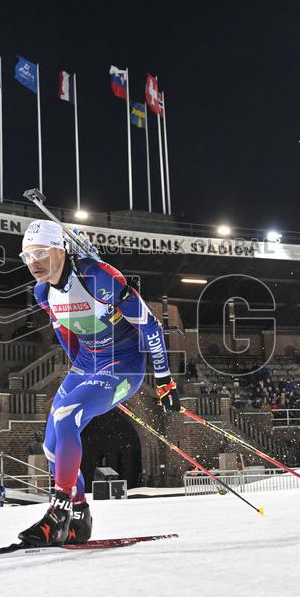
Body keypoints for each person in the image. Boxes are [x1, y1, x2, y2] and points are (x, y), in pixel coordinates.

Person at [16, 220, 179, 546]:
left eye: (40, 252)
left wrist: (163, 381)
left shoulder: (98, 276)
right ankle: (79, 514)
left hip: (124, 365)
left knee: (67, 416)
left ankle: (57, 511)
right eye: (26, 255)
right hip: (87, 364)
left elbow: (151, 327)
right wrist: (83, 372)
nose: (33, 261)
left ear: (60, 250)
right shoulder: (42, 292)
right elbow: (66, 335)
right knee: (52, 446)